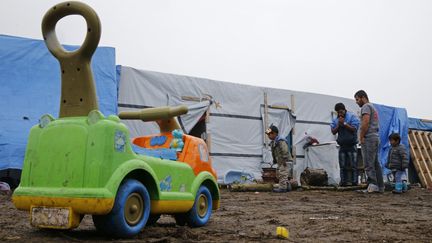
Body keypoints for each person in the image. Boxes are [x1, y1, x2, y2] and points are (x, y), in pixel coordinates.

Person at [354, 90, 384, 193]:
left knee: (368, 162)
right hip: (375, 137)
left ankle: (372, 185)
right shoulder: (373, 108)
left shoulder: (366, 107)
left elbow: (365, 122)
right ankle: (380, 186)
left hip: (369, 138)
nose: (356, 102)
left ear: (363, 97)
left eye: (357, 99)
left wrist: (361, 137)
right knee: (375, 163)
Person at [330, 103, 360, 186]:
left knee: (353, 165)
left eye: (341, 112)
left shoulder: (352, 116)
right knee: (342, 166)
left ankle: (354, 182)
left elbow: (354, 129)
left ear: (344, 110)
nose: (339, 114)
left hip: (351, 145)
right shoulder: (336, 119)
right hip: (342, 146)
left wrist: (345, 124)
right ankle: (343, 182)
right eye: (338, 113)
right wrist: (339, 125)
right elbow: (333, 131)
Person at [266, 124, 294, 193]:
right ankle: (287, 185)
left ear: (275, 134)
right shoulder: (273, 143)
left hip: (285, 160)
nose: (269, 136)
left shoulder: (281, 140)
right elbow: (274, 153)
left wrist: (284, 159)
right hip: (281, 161)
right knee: (279, 174)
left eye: (270, 134)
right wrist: (274, 160)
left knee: (282, 174)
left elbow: (285, 150)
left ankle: (282, 188)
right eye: (268, 135)